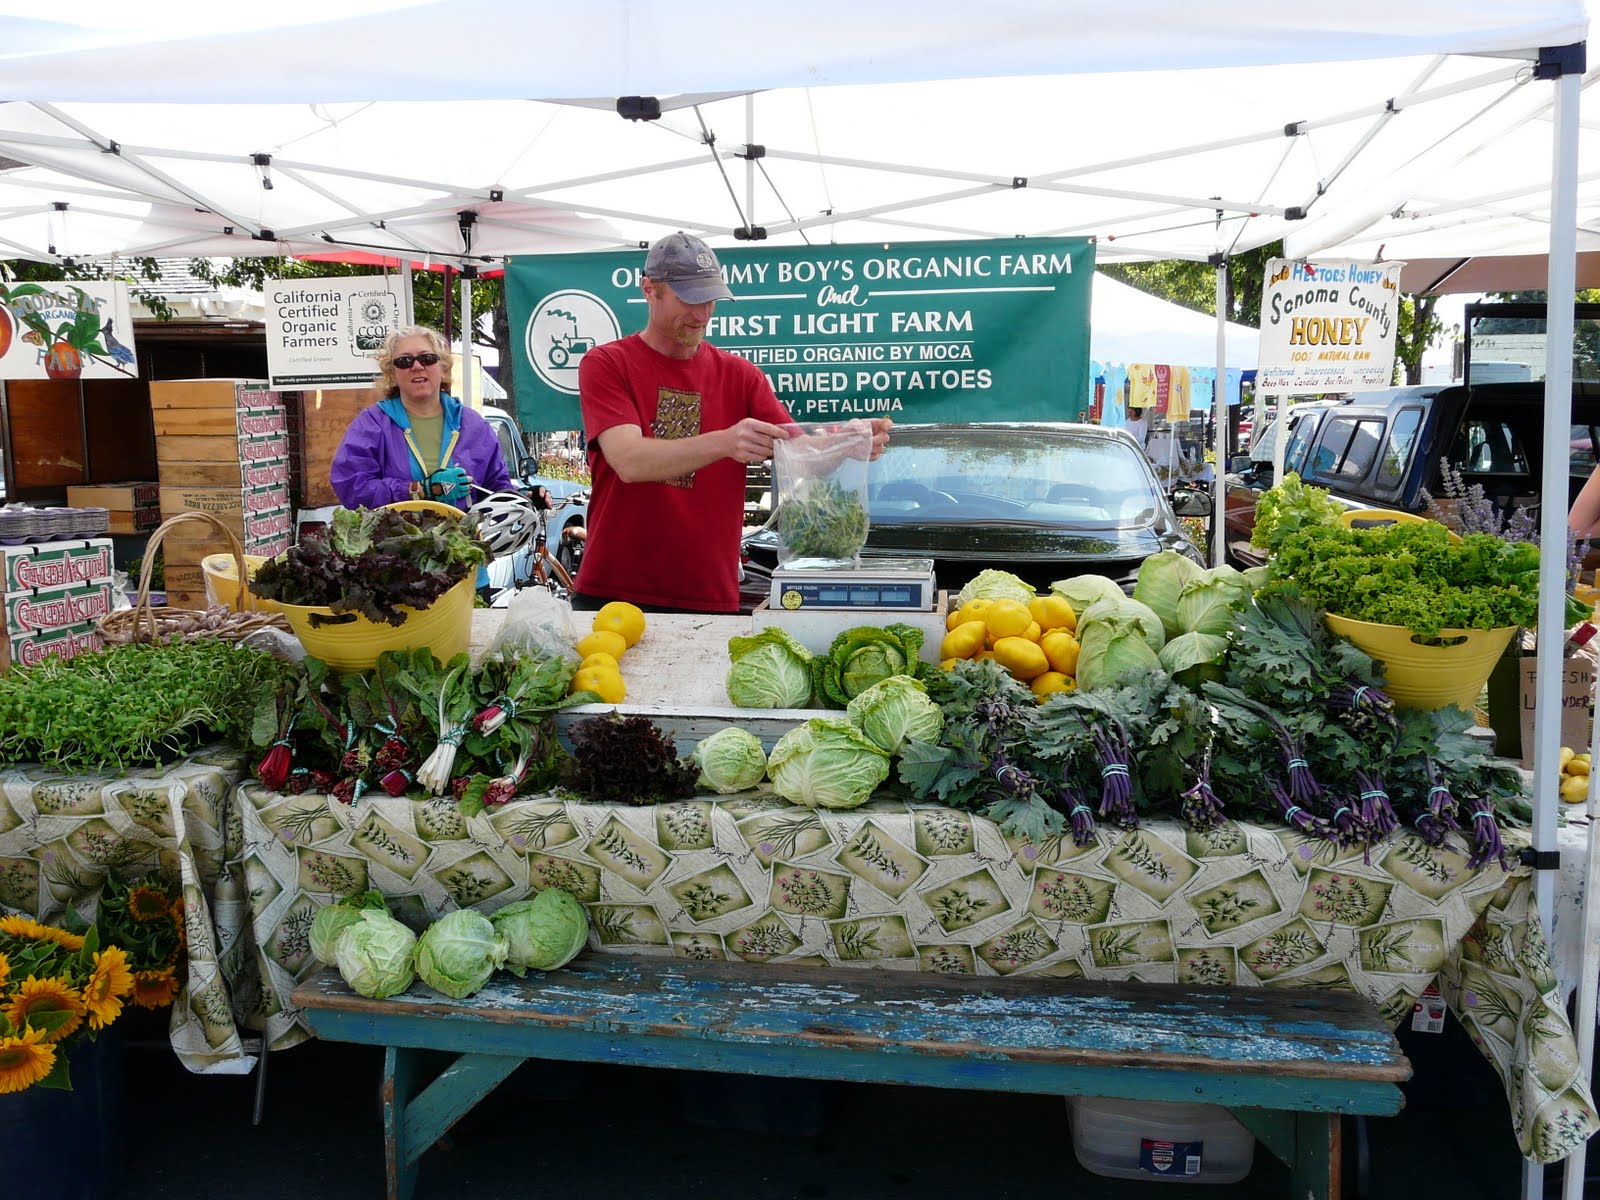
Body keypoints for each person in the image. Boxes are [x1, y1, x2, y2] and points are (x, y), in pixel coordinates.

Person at [576, 231, 889, 614]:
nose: (702, 314)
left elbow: (802, 456)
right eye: (689, 299)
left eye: (710, 300)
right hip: (614, 588)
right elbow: (628, 460)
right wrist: (726, 442)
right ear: (649, 290)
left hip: (710, 591)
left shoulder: (742, 376)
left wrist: (849, 443)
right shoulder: (607, 363)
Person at [330, 325, 514, 512]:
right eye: (404, 361)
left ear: (442, 367)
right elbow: (352, 488)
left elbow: (494, 487)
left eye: (427, 358)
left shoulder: (474, 425)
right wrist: (420, 489)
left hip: (461, 540)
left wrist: (521, 497)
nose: (417, 366)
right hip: (393, 541)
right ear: (392, 373)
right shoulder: (371, 424)